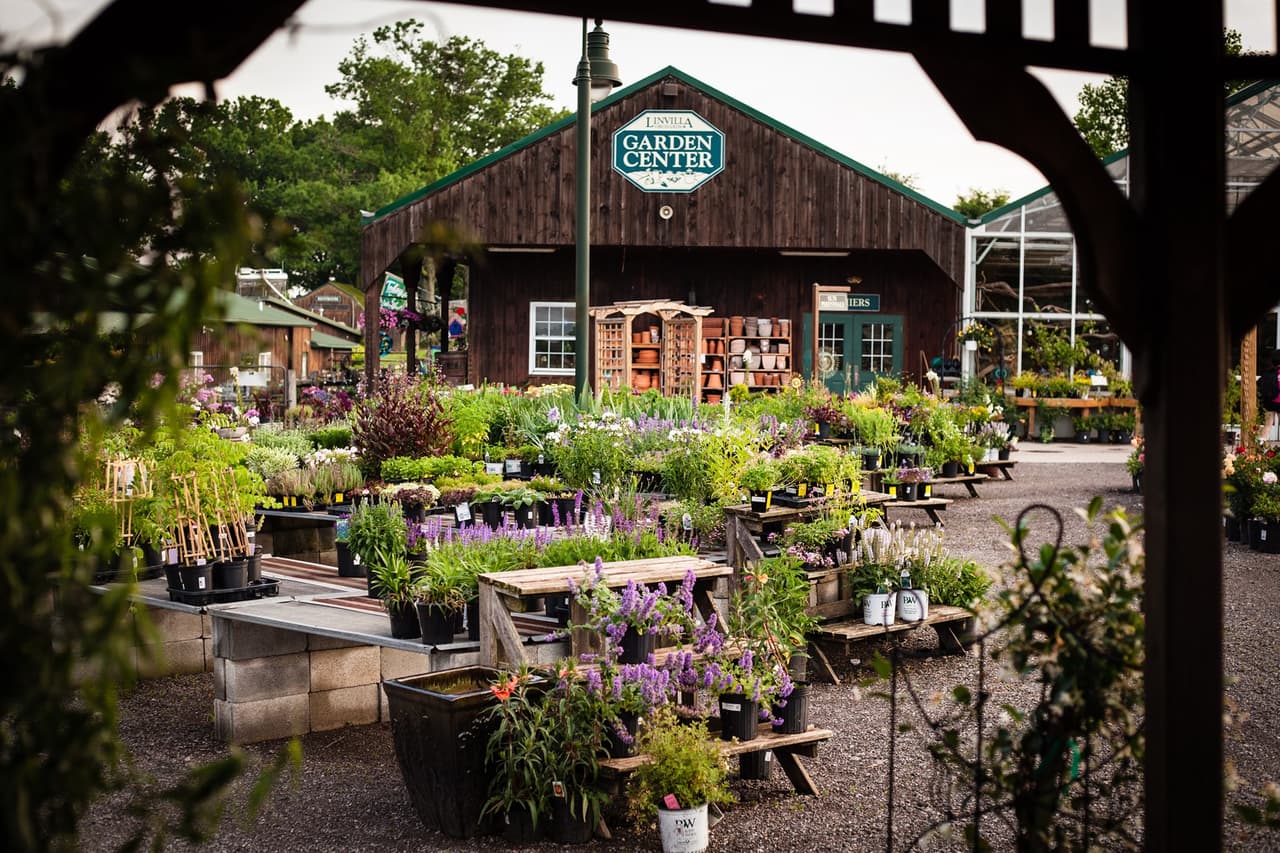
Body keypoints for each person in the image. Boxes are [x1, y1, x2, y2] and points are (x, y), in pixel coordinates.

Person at [1259, 349, 1280, 440]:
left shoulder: (1269, 372)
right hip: (1279, 401)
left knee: (1267, 425)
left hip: (1269, 402)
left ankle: (1261, 443)